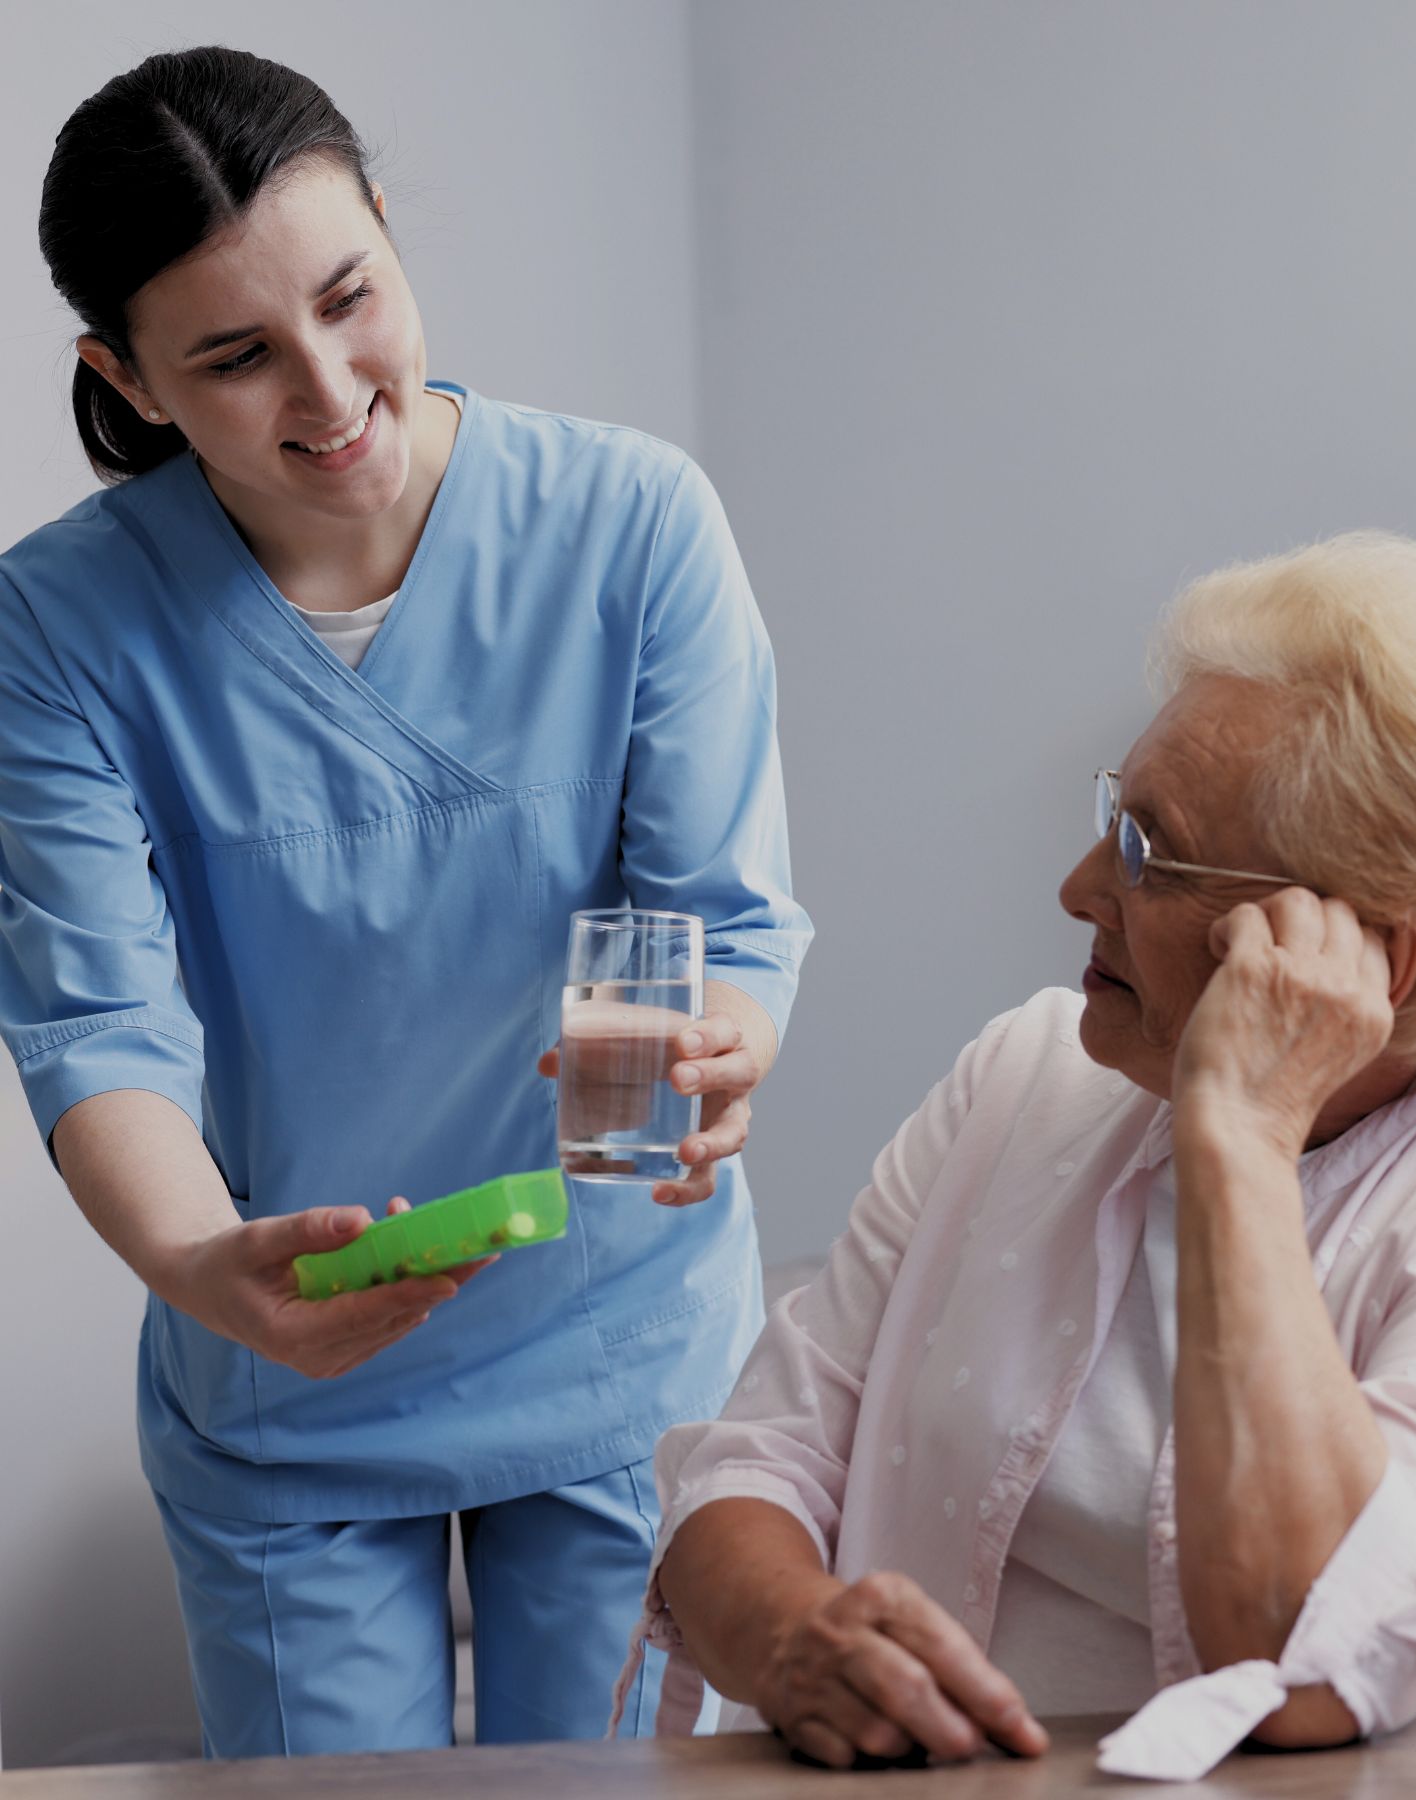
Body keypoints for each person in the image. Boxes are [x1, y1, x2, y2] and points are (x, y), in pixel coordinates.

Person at [0, 46, 810, 1757]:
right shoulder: (60, 631)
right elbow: (96, 1021)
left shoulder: (633, 525)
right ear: (124, 379)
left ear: (384, 223)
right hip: (287, 1372)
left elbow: (720, 919)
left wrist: (723, 1045)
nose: (329, 390)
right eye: (235, 358)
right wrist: (201, 1264)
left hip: (618, 1343)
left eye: (350, 296)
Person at [623, 532, 1416, 1781]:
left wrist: (1242, 1135)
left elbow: (1315, 1663)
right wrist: (792, 1639)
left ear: (1370, 958)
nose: (1076, 886)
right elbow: (754, 1465)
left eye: (1151, 849)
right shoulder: (1021, 1077)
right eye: (1115, 816)